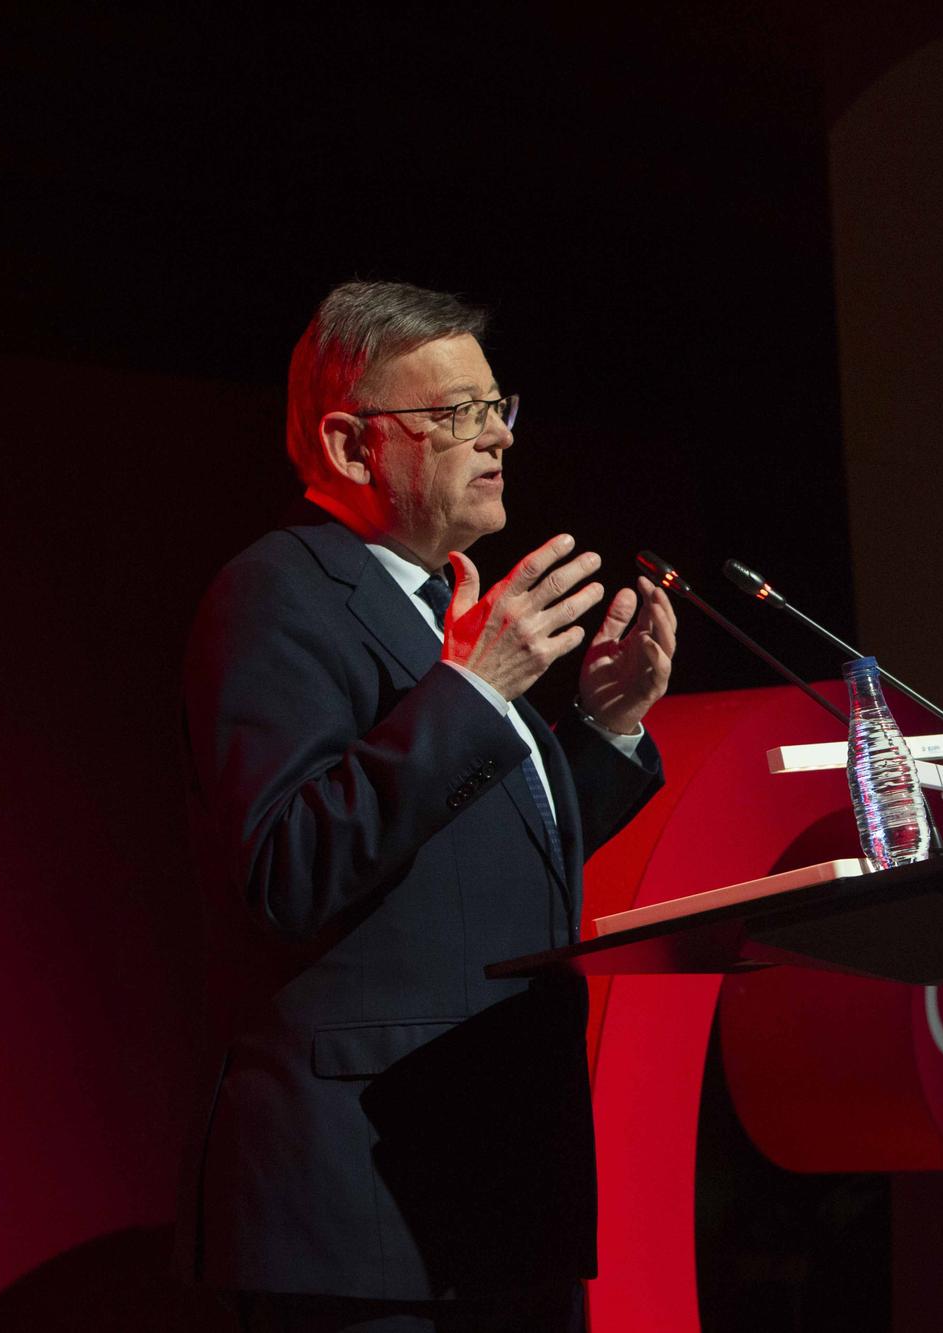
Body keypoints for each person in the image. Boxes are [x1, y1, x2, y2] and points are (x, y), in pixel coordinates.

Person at [177, 280, 677, 1331]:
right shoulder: (278, 592)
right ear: (354, 446)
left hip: (487, 1186)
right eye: (453, 414)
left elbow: (467, 860)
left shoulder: (436, 604)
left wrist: (603, 729)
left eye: (496, 407)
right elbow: (287, 865)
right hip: (361, 1201)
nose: (494, 436)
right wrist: (476, 689)